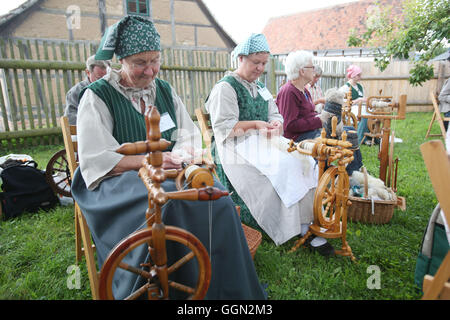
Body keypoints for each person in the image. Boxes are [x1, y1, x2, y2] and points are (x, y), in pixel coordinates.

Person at [70, 16, 265, 300]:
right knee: (170, 205)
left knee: (219, 199)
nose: (150, 71)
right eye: (140, 63)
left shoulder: (163, 90)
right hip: (114, 180)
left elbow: (187, 134)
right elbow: (96, 158)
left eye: (155, 61)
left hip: (170, 171)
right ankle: (170, 285)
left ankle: (225, 291)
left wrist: (183, 155)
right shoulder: (97, 96)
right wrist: (149, 161)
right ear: (121, 60)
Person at [205, 34, 334, 256]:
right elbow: (224, 129)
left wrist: (277, 124)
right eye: (256, 63)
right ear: (241, 58)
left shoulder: (260, 87)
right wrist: (256, 124)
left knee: (302, 160)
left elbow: (276, 113)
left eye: (264, 63)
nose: (260, 68)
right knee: (284, 166)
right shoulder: (225, 88)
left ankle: (306, 222)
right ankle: (293, 226)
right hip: (234, 147)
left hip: (262, 140)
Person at [276, 50, 323, 142]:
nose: (314, 69)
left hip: (308, 133)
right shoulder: (289, 91)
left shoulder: (304, 90)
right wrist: (319, 121)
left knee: (348, 131)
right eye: (312, 67)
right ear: (302, 71)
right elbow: (289, 125)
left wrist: (321, 116)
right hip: (295, 140)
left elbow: (308, 114)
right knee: (329, 139)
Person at [64, 55, 110, 125]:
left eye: (106, 78)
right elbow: (71, 120)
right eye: (99, 78)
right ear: (88, 72)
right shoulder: (75, 92)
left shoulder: (112, 88)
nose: (103, 82)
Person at [339, 64, 368, 144]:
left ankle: (370, 136)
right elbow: (343, 104)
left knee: (372, 115)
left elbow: (364, 98)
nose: (360, 77)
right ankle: (360, 138)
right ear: (353, 75)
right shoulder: (345, 88)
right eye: (358, 75)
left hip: (361, 108)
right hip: (351, 110)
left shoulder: (360, 86)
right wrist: (357, 101)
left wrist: (363, 100)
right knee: (363, 116)